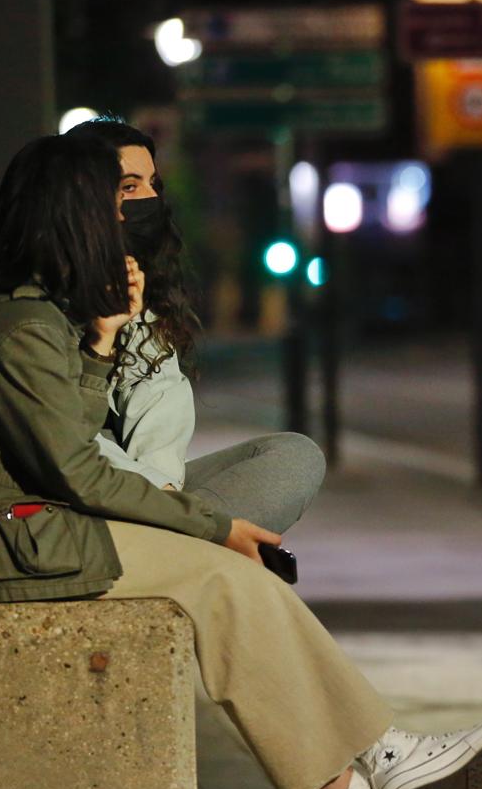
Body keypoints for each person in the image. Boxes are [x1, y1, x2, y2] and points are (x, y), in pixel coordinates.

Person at [0, 133, 482, 789]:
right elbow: (75, 466)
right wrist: (212, 526)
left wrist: (106, 340)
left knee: (237, 539)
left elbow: (63, 444)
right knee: (224, 579)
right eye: (121, 196)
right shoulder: (14, 318)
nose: (141, 210)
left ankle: (377, 776)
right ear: (75, 211)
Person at [65, 118, 323, 537]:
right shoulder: (42, 299)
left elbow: (158, 411)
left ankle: (180, 538)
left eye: (153, 184)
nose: (149, 199)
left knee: (294, 453)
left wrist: (165, 496)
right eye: (129, 187)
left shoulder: (138, 285)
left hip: (147, 499)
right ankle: (188, 538)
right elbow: (65, 440)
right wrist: (167, 506)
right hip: (85, 500)